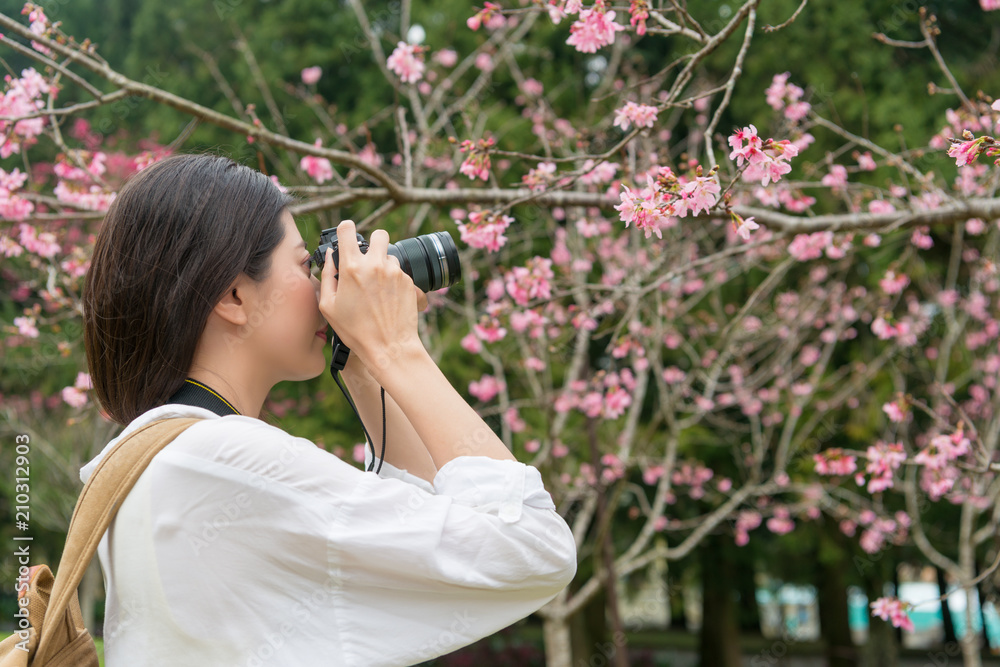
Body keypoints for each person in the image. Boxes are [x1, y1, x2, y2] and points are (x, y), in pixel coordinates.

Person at [81, 153, 577, 666]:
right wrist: (397, 348)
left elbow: (421, 528)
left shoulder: (157, 459)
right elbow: (534, 548)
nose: (324, 289)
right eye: (304, 266)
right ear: (232, 294)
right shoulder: (224, 458)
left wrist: (362, 364)